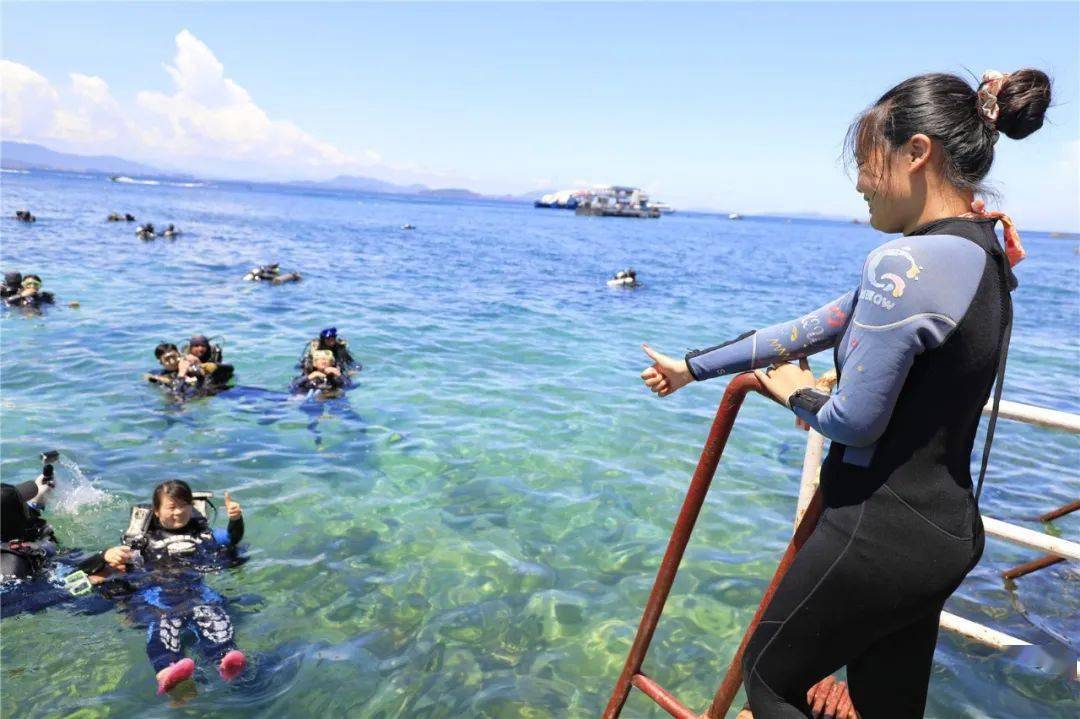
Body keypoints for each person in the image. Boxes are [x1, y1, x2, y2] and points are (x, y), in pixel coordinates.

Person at [639, 68, 1049, 718]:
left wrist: (798, 395)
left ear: (917, 153)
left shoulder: (903, 264)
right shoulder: (981, 252)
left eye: (866, 161)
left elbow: (854, 421)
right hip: (944, 535)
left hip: (877, 530)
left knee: (769, 680)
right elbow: (811, 328)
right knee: (886, 705)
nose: (860, 182)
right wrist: (692, 366)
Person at [96, 480, 247, 694]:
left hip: (195, 593)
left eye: (184, 505)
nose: (178, 512)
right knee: (164, 622)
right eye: (171, 507)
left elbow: (232, 538)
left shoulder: (203, 535)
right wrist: (108, 557)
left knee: (212, 613)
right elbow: (117, 570)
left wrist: (235, 519)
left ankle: (224, 658)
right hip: (158, 597)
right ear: (156, 511)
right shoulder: (141, 543)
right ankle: (166, 671)